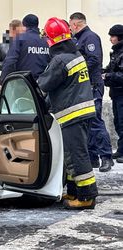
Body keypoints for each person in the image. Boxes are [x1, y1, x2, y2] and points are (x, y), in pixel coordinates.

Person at [38, 17, 98, 210]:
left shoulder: (59, 61)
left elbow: (44, 85)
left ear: (51, 39)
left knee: (78, 155)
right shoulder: (76, 55)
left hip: (72, 114)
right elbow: (64, 87)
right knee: (71, 156)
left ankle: (87, 196)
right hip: (83, 112)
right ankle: (74, 191)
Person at [69, 12, 113, 172]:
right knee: (87, 122)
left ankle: (106, 157)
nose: (70, 29)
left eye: (70, 25)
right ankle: (93, 157)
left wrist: (74, 70)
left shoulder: (89, 37)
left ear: (76, 24)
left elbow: (94, 60)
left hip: (93, 85)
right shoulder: (79, 39)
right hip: (85, 86)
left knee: (95, 122)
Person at [0, 14, 49, 86]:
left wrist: (3, 81)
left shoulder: (19, 38)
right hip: (42, 84)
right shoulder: (46, 40)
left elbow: (10, 60)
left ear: (24, 25)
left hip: (23, 84)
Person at [102, 24, 123, 163]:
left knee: (122, 123)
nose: (110, 39)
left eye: (112, 36)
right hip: (116, 93)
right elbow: (110, 69)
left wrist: (107, 76)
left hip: (121, 93)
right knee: (117, 122)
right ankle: (121, 150)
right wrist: (102, 72)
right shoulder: (116, 52)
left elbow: (121, 75)